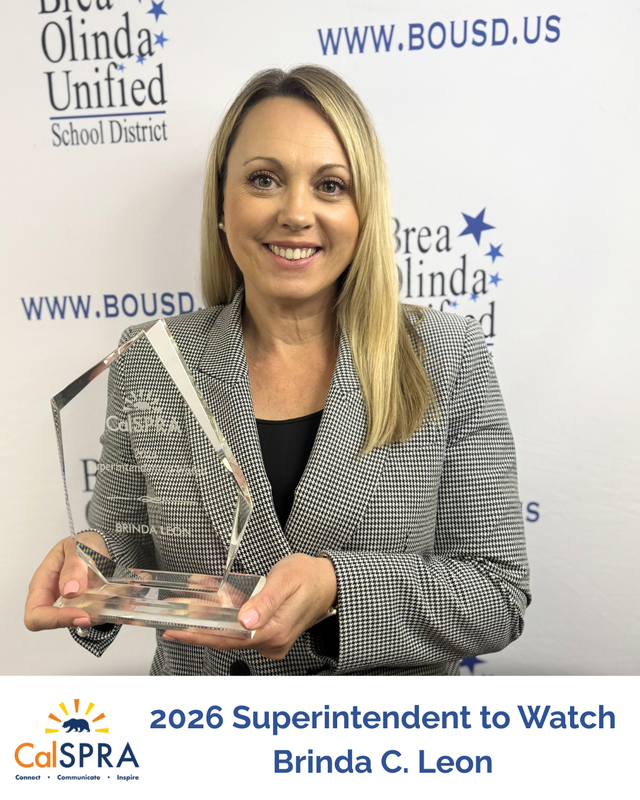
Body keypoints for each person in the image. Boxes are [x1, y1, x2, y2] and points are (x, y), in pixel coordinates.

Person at [25, 65, 530, 676]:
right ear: (221, 205)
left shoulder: (447, 355)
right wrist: (91, 565)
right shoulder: (152, 357)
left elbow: (499, 594)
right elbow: (126, 544)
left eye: (330, 186)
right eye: (264, 180)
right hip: (203, 743)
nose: (296, 212)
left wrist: (339, 592)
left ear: (364, 210)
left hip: (379, 751)